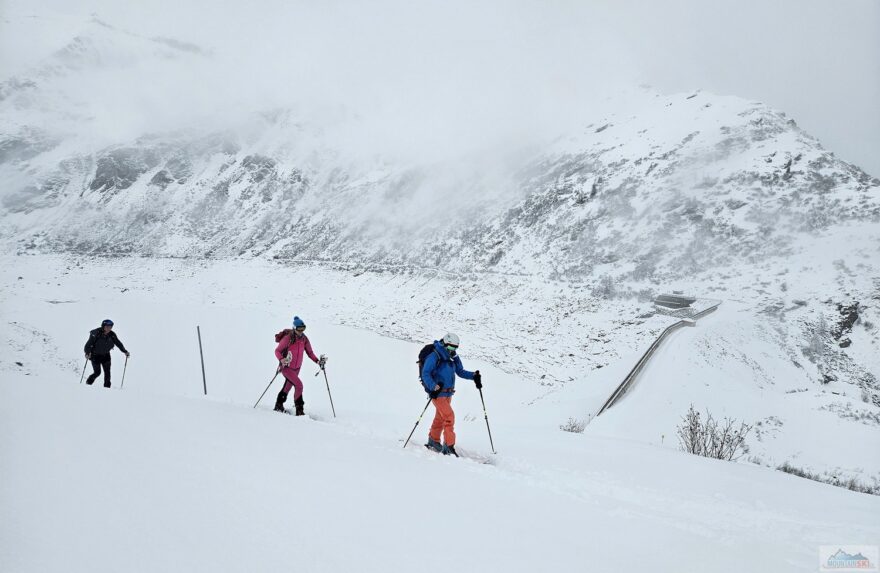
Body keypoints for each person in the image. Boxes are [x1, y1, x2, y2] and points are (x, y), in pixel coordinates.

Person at [421, 333, 482, 457]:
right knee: (449, 417)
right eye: (450, 348)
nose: (452, 351)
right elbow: (425, 373)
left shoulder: (452, 357)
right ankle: (448, 446)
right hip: (438, 394)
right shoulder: (435, 356)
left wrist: (473, 376)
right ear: (444, 343)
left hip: (448, 394)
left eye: (455, 348)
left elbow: (460, 371)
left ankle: (433, 440)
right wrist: (433, 386)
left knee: (440, 417)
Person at [274, 316, 326, 415]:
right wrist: (282, 359)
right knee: (299, 385)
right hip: (287, 367)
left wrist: (318, 361)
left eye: (303, 328)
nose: (301, 331)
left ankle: (278, 405)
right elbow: (277, 351)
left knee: (287, 386)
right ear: (294, 328)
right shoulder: (288, 338)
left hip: (297, 368)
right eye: (299, 329)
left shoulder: (304, 339)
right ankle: (299, 410)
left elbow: (310, 352)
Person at [83, 319, 130, 388]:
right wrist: (87, 353)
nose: (109, 328)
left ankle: (107, 388)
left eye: (110, 327)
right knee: (97, 373)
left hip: (106, 355)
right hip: (95, 356)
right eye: (107, 326)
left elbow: (118, 343)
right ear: (103, 326)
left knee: (107, 373)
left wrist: (125, 351)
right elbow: (88, 345)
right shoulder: (96, 333)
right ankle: (88, 384)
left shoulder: (112, 335)